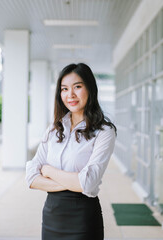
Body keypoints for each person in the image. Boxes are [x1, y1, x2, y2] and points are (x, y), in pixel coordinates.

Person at [25, 63, 117, 240]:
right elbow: (31, 176)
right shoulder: (54, 128)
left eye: (77, 87)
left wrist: (49, 171)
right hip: (52, 217)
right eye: (64, 89)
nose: (70, 95)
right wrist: (74, 183)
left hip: (83, 220)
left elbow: (87, 183)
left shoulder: (104, 132)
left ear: (90, 89)